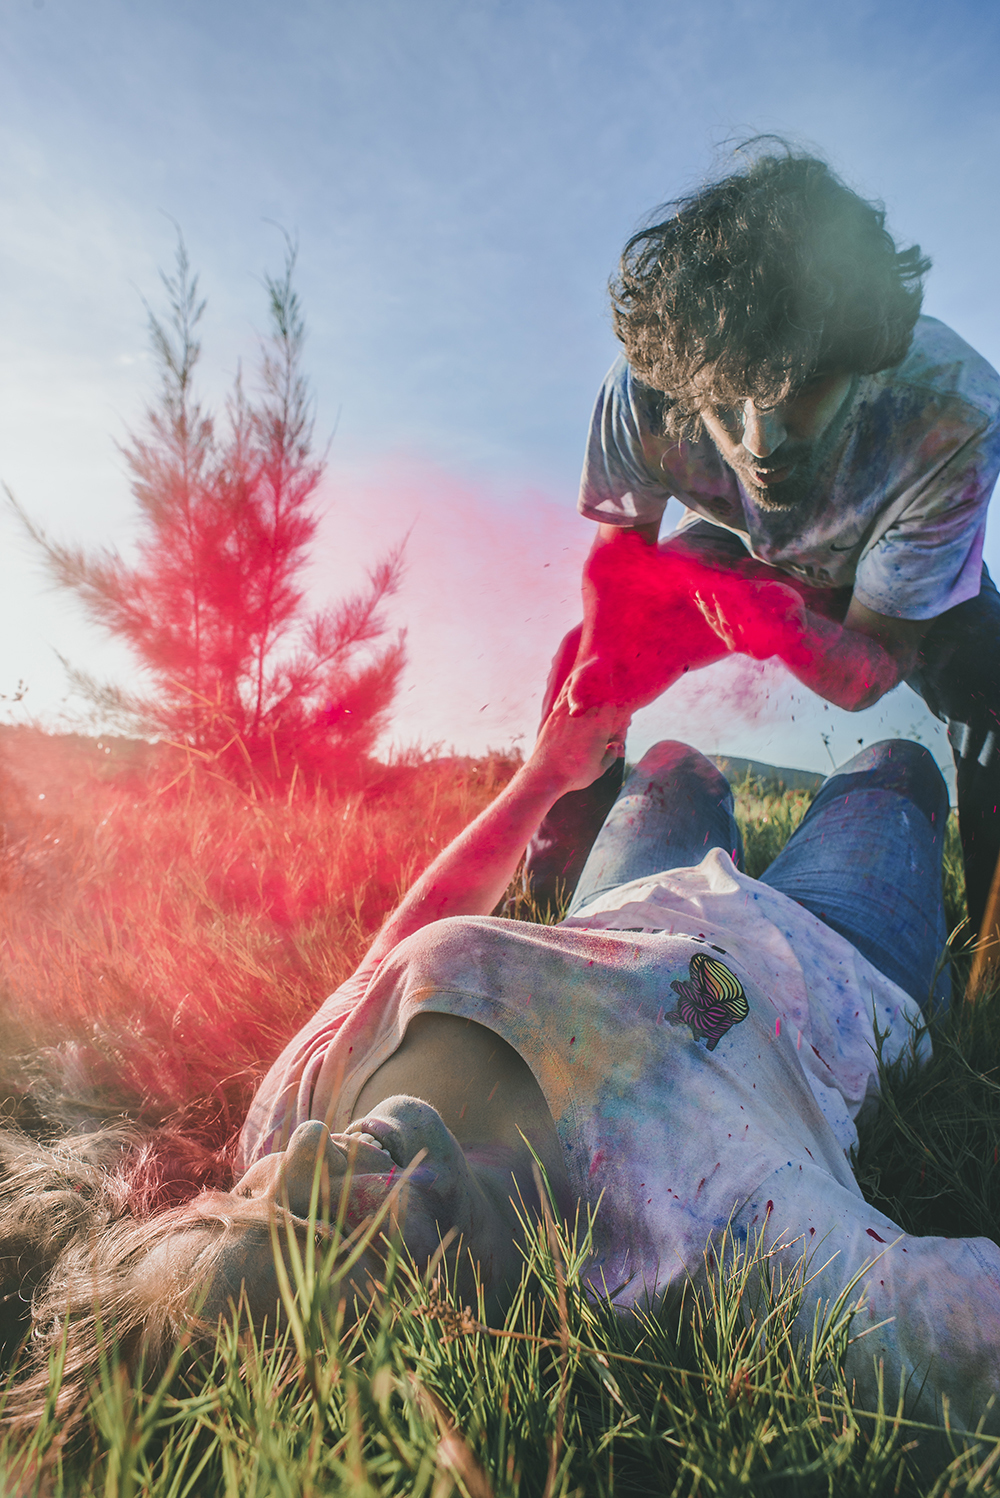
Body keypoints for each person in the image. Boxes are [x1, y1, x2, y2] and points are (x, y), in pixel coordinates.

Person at [4, 692, 1000, 1445]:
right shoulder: (718, 1251)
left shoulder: (291, 1111)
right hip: (839, 952)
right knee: (897, 760)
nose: (304, 1154)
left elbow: (396, 951)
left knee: (671, 763)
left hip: (629, 901)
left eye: (241, 1199)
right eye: (320, 1235)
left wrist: (541, 778)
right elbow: (960, 1339)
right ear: (425, 1358)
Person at [524, 145, 1000, 934]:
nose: (761, 440)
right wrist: (607, 666)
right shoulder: (647, 383)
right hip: (734, 545)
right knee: (583, 659)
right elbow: (621, 560)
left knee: (993, 684)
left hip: (884, 563)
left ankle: (990, 951)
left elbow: (870, 671)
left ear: (863, 358)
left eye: (802, 388)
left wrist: (791, 630)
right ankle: (546, 906)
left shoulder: (953, 414)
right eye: (730, 396)